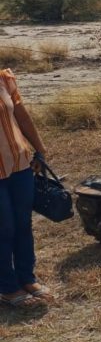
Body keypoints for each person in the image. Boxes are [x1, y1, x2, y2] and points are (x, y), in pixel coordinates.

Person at [1, 68, 52, 307]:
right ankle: (7, 286)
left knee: (23, 223)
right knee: (4, 227)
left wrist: (39, 150)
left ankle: (27, 277)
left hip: (20, 164)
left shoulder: (4, 79)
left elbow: (21, 116)